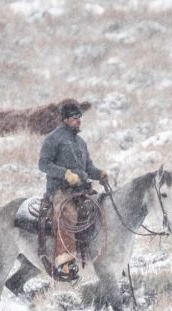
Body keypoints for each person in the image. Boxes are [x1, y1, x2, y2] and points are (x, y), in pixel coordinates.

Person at [37, 101, 108, 282]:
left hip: (82, 189)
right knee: (68, 215)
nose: (78, 121)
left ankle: (103, 255)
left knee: (103, 210)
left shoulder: (81, 142)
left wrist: (99, 174)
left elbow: (88, 167)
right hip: (60, 190)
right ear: (65, 119)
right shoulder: (53, 139)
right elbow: (43, 164)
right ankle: (65, 264)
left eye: (79, 117)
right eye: (75, 118)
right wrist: (65, 174)